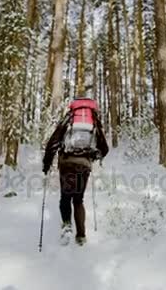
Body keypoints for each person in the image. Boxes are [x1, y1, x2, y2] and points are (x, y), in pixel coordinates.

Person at [42, 98, 109, 246]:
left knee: (65, 197)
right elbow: (104, 149)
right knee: (78, 199)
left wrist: (46, 165)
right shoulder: (94, 121)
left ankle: (67, 227)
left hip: (66, 163)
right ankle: (81, 236)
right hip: (83, 165)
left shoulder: (69, 118)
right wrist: (93, 156)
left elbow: (53, 142)